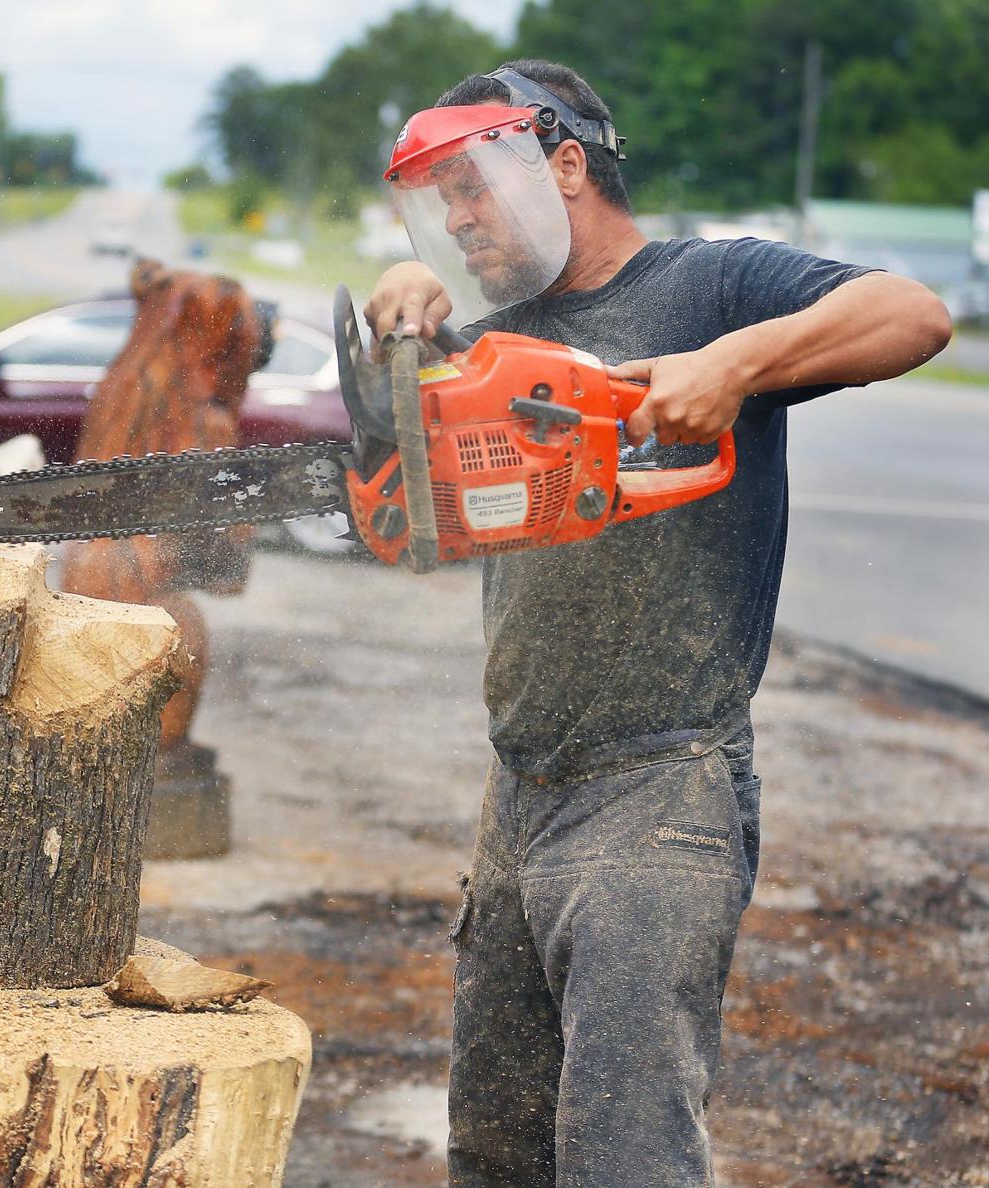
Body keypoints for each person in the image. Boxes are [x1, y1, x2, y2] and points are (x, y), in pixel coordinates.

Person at [365, 60, 951, 1187]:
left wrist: (732, 364)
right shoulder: (510, 334)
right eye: (440, 203)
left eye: (473, 190)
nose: (457, 220)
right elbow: (414, 475)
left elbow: (911, 314)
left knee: (624, 1154)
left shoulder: (712, 283)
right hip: (519, 791)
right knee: (495, 1150)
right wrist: (406, 298)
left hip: (660, 787)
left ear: (565, 165)